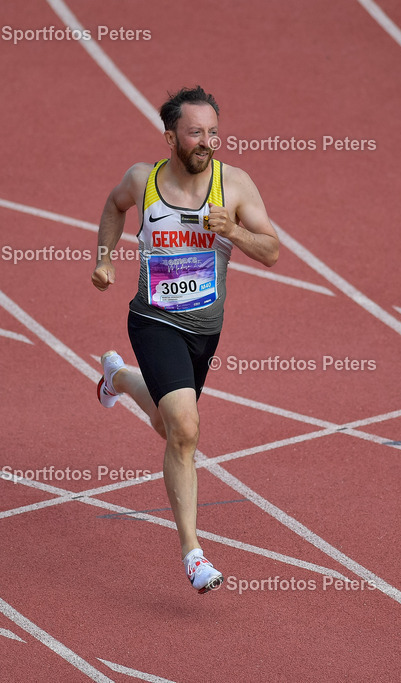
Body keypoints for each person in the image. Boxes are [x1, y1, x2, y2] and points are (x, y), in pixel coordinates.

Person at [91, 85, 279, 593]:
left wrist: (233, 232)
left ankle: (122, 379)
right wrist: (105, 258)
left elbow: (272, 250)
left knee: (169, 426)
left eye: (214, 132)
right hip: (153, 319)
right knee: (186, 428)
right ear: (171, 136)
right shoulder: (143, 180)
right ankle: (193, 553)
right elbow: (114, 206)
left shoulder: (234, 185)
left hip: (204, 331)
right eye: (196, 132)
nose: (208, 142)